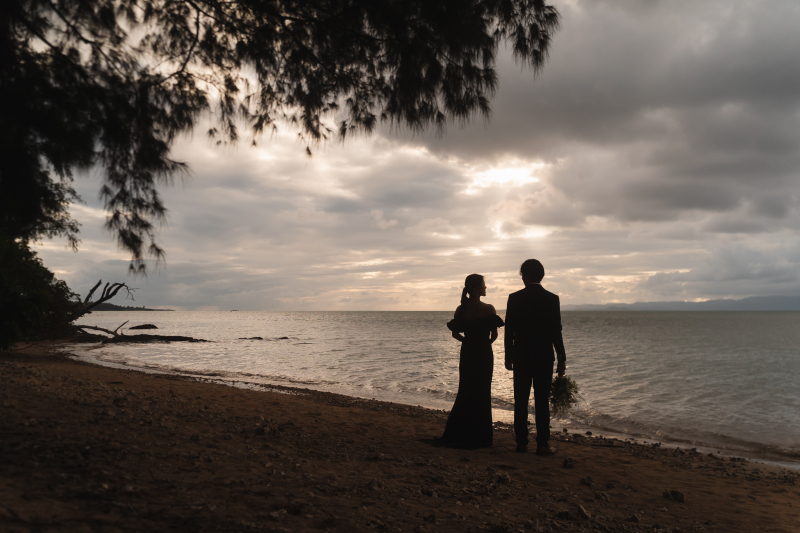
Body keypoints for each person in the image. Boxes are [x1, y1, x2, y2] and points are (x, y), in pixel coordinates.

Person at [504, 259, 566, 455]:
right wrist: (562, 357)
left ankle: (522, 442)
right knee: (542, 401)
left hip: (521, 356)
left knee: (520, 400)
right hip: (544, 356)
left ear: (526, 275)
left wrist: (508, 356)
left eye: (522, 274)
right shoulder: (552, 299)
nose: (521, 277)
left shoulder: (514, 298)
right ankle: (543, 444)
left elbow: (509, 331)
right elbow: (556, 331)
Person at [441, 274, 504, 448]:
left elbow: (455, 334)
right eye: (484, 285)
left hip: (467, 353)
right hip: (484, 353)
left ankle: (461, 431)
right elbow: (494, 335)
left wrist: (469, 342)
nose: (486, 287)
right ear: (477, 289)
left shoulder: (461, 310)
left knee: (466, 390)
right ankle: (481, 436)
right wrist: (482, 344)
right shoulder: (490, 309)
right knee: (483, 391)